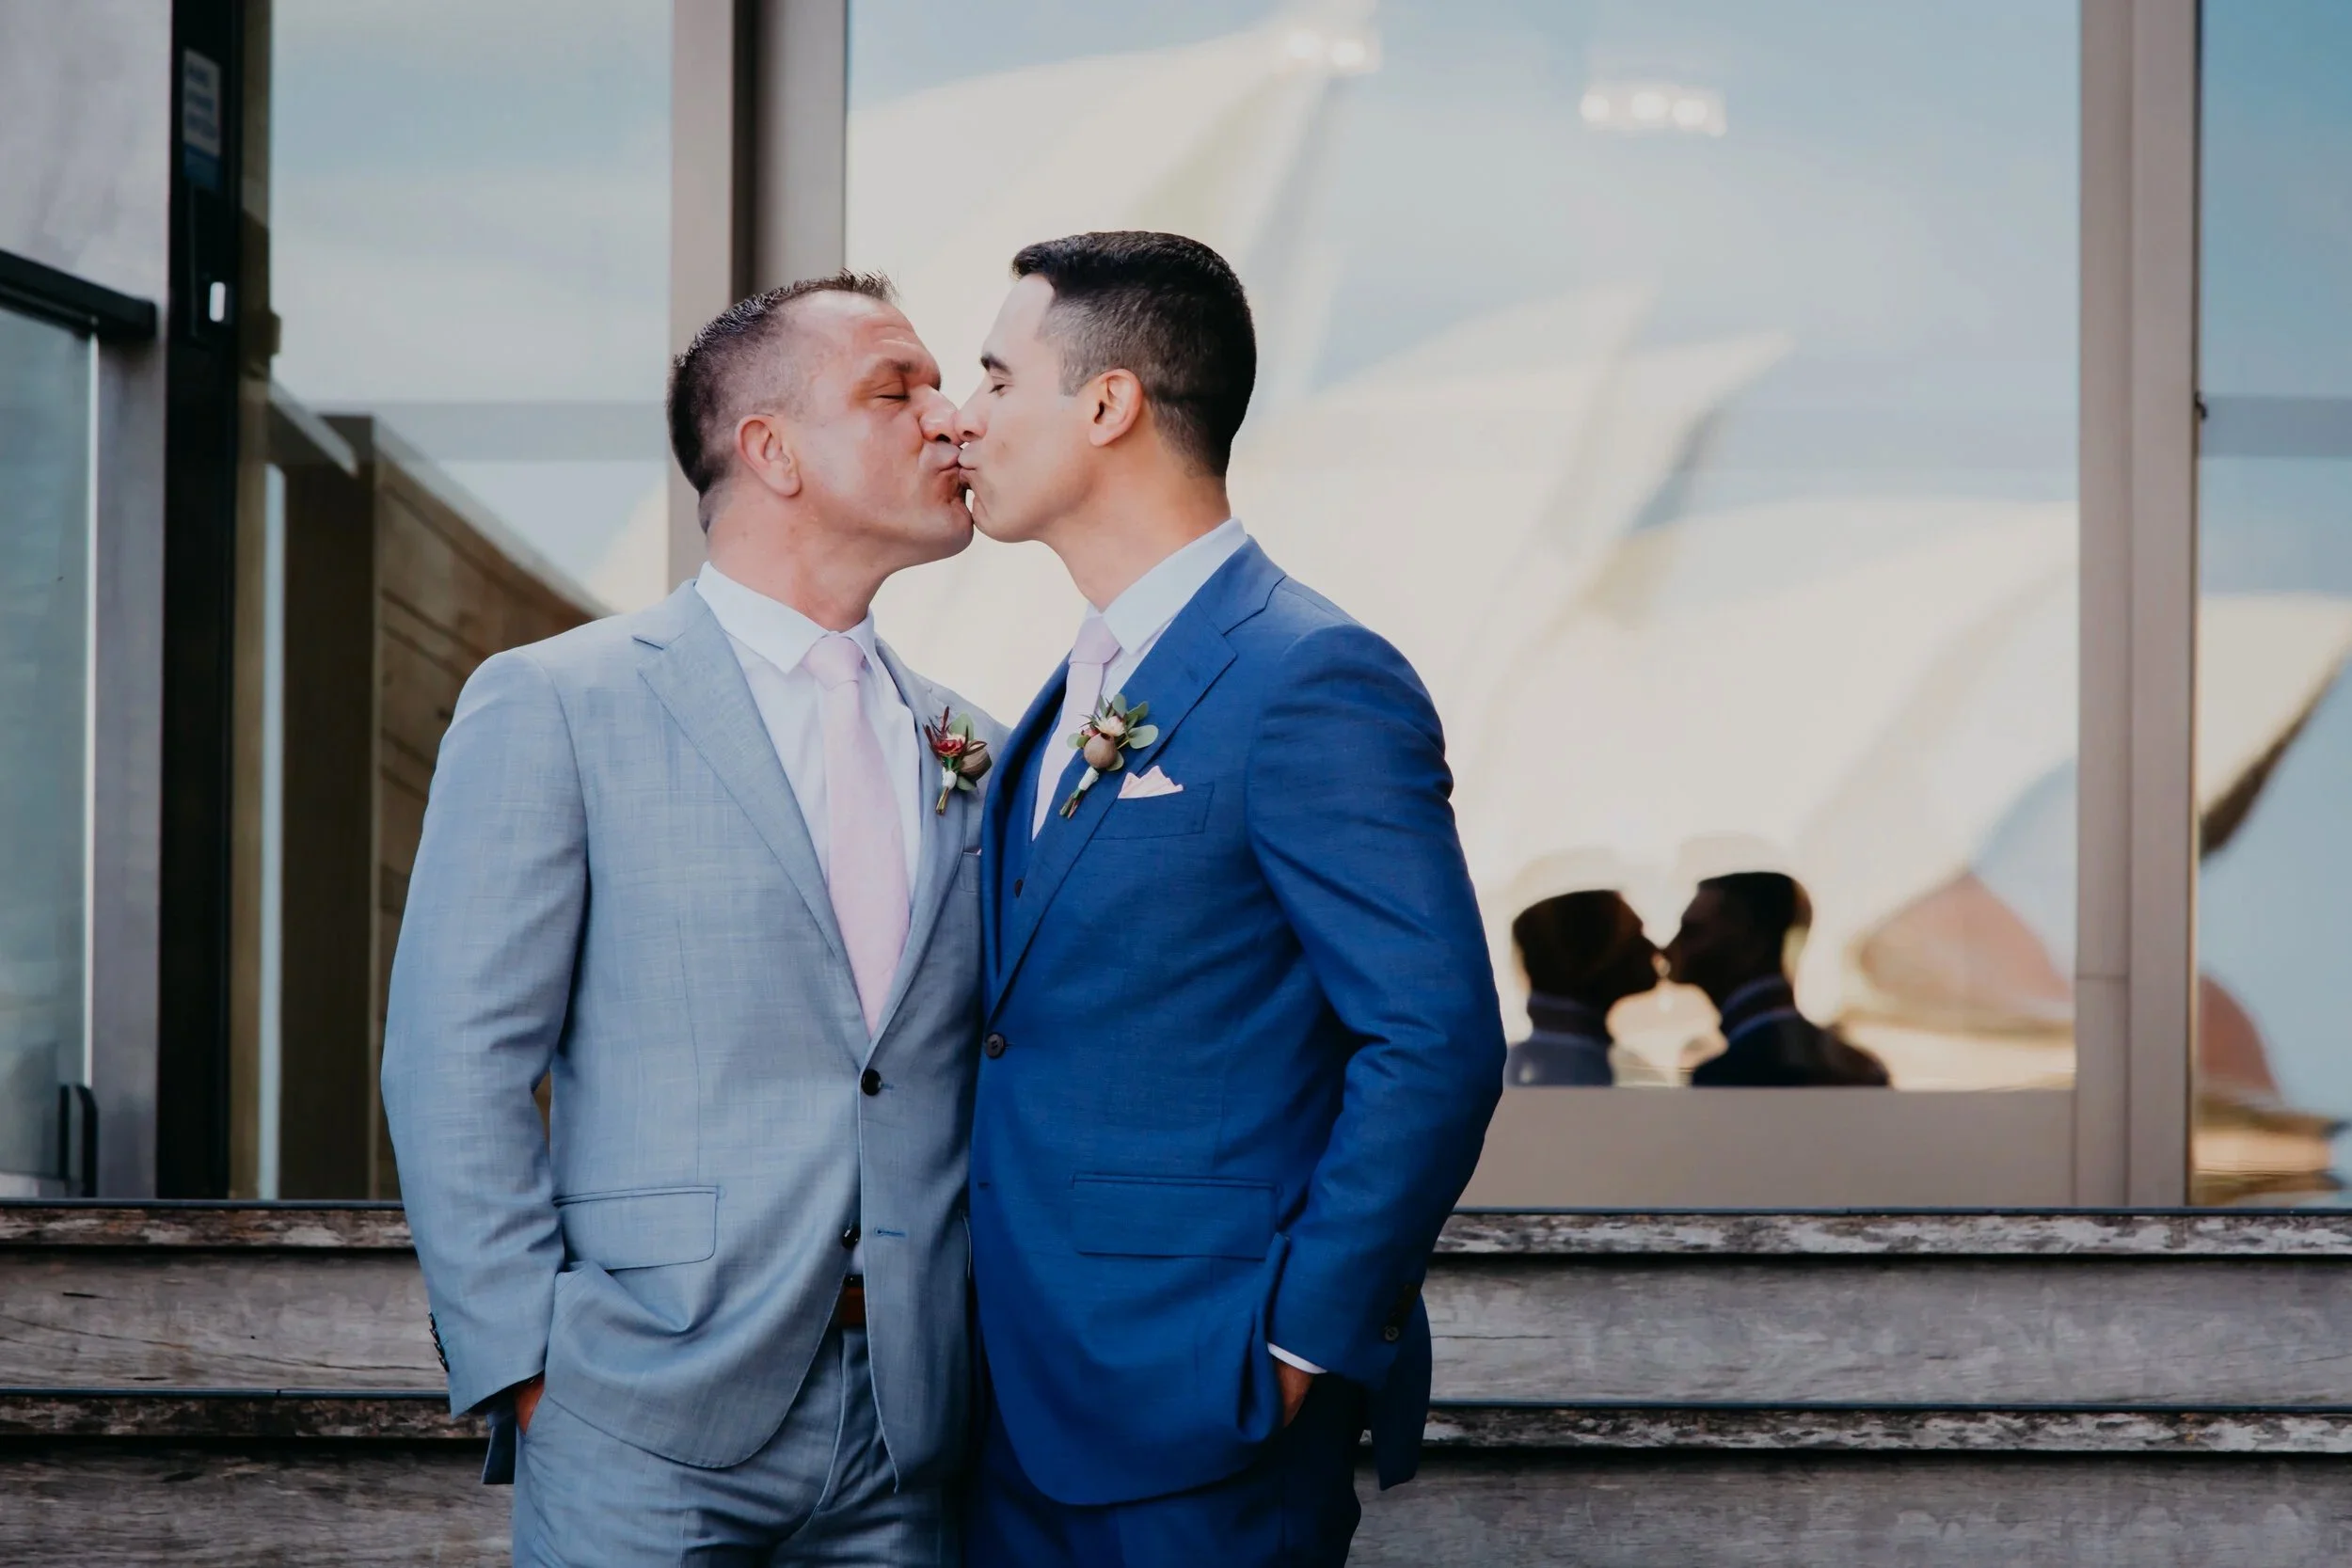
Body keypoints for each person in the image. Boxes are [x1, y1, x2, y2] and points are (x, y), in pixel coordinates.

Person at [381, 272, 1000, 1565]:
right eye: (898, 389)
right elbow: (455, 1056)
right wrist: (527, 1368)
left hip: (917, 1422)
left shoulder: (974, 743)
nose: (952, 419)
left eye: (948, 388)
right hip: (637, 1419)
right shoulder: (559, 701)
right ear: (767, 449)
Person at [951, 230, 1505, 1568]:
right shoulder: (1061, 693)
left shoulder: (1311, 675)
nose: (960, 418)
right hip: (1008, 1411)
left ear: (1107, 403)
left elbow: (1435, 1037)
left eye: (994, 377)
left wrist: (1301, 1338)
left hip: (1201, 1403)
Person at [1663, 871, 1890, 1087]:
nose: (1669, 947)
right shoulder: (1860, 1069)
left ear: (1749, 943)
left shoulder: (1728, 1078)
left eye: (1692, 931)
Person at [1505, 890, 1661, 1086]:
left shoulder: (1517, 1068)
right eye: (1636, 936)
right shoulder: (1615, 1070)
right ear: (1597, 959)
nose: (1654, 950)